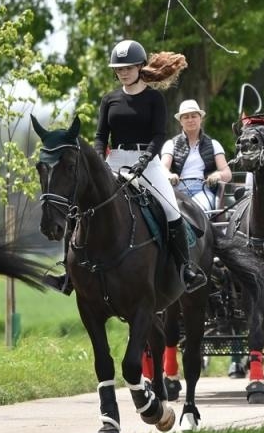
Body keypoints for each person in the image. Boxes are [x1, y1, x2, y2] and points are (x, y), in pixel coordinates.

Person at [88, 39, 202, 292]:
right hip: (115, 160)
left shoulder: (154, 99)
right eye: (119, 69)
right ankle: (69, 271)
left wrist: (146, 159)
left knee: (171, 209)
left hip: (148, 162)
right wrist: (99, 160)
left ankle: (186, 268)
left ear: (140, 67)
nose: (123, 73)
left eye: (128, 67)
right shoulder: (109, 100)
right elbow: (100, 136)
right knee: (85, 205)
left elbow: (159, 135)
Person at [161, 98, 232, 212]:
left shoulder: (214, 144)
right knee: (172, 214)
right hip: (176, 190)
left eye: (194, 116)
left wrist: (217, 176)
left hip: (203, 189)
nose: (190, 120)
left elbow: (227, 173)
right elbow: (162, 169)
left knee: (199, 212)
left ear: (201, 118)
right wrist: (170, 176)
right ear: (180, 121)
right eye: (186, 117)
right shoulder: (170, 144)